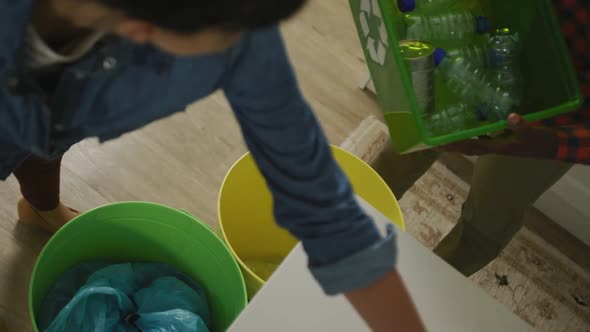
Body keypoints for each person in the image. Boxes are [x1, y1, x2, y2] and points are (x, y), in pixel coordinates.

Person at [0, 0, 425, 330]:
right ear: (140, 29)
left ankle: (41, 206)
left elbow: (321, 200)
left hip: (53, 115)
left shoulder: (233, 27)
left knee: (45, 146)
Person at [373, 0, 589, 277]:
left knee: (485, 224)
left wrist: (552, 143)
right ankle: (338, 233)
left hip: (559, 116)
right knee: (405, 150)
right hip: (482, 38)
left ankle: (424, 297)